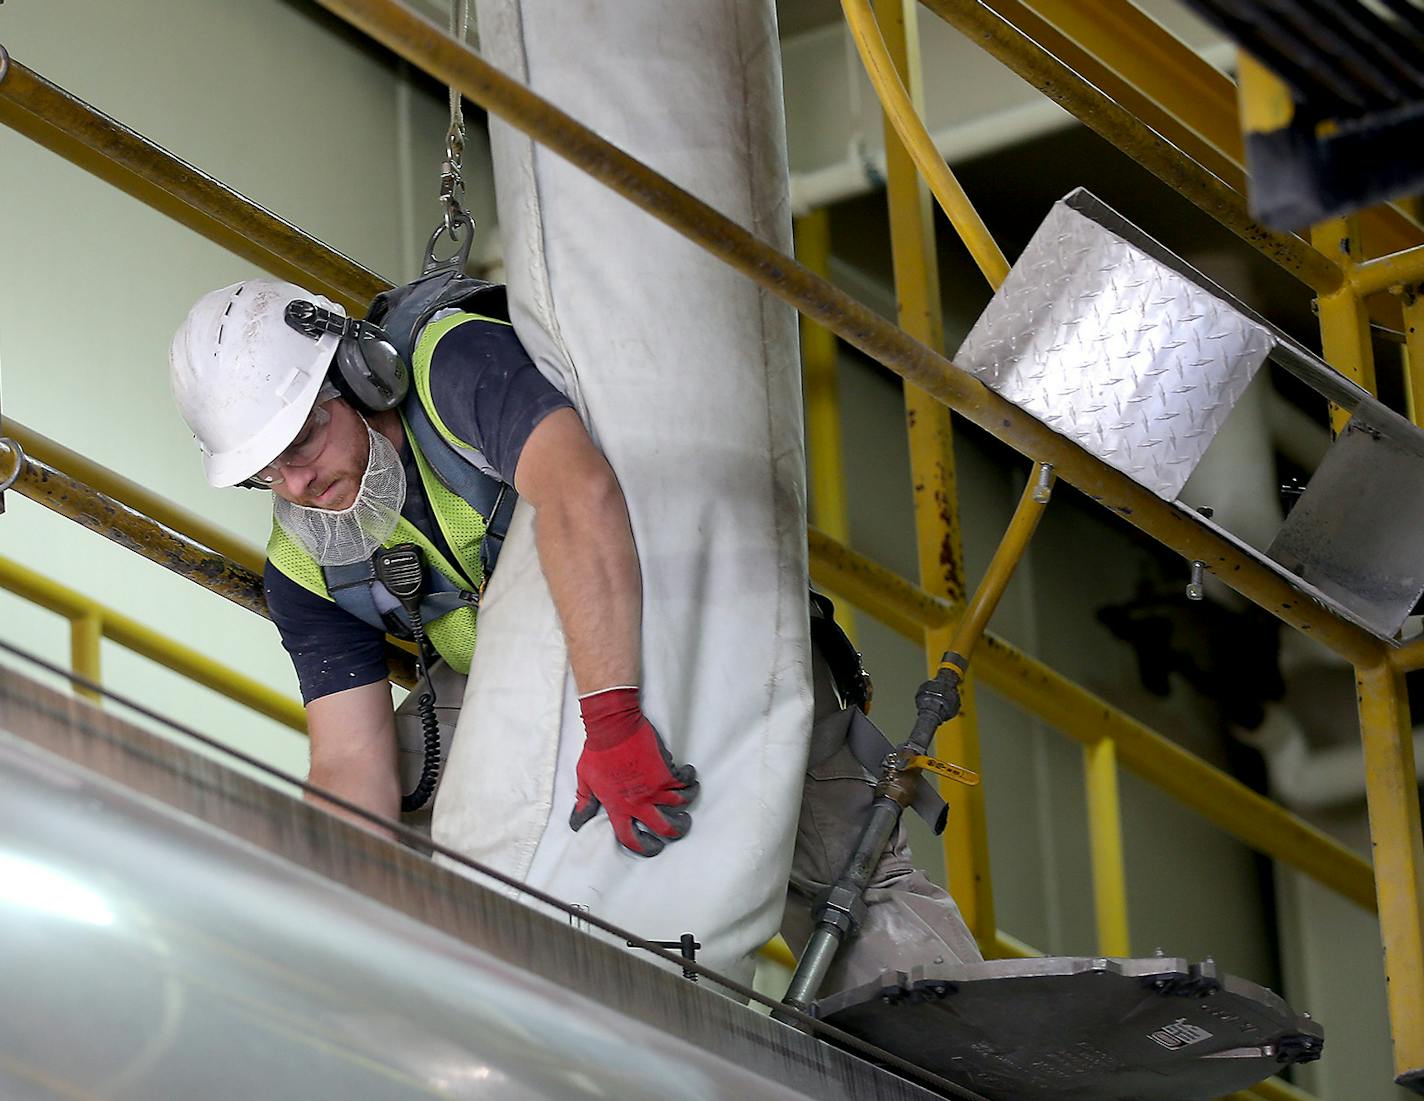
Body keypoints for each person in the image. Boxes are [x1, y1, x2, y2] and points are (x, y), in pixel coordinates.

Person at [170, 277, 697, 858]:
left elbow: (580, 493)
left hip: (647, 595)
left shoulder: (452, 366)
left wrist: (614, 721)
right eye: (264, 473)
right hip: (498, 673)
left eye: (300, 442)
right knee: (401, 825)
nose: (297, 485)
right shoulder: (303, 566)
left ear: (361, 376)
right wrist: (326, 901)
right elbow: (348, 759)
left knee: (807, 821)